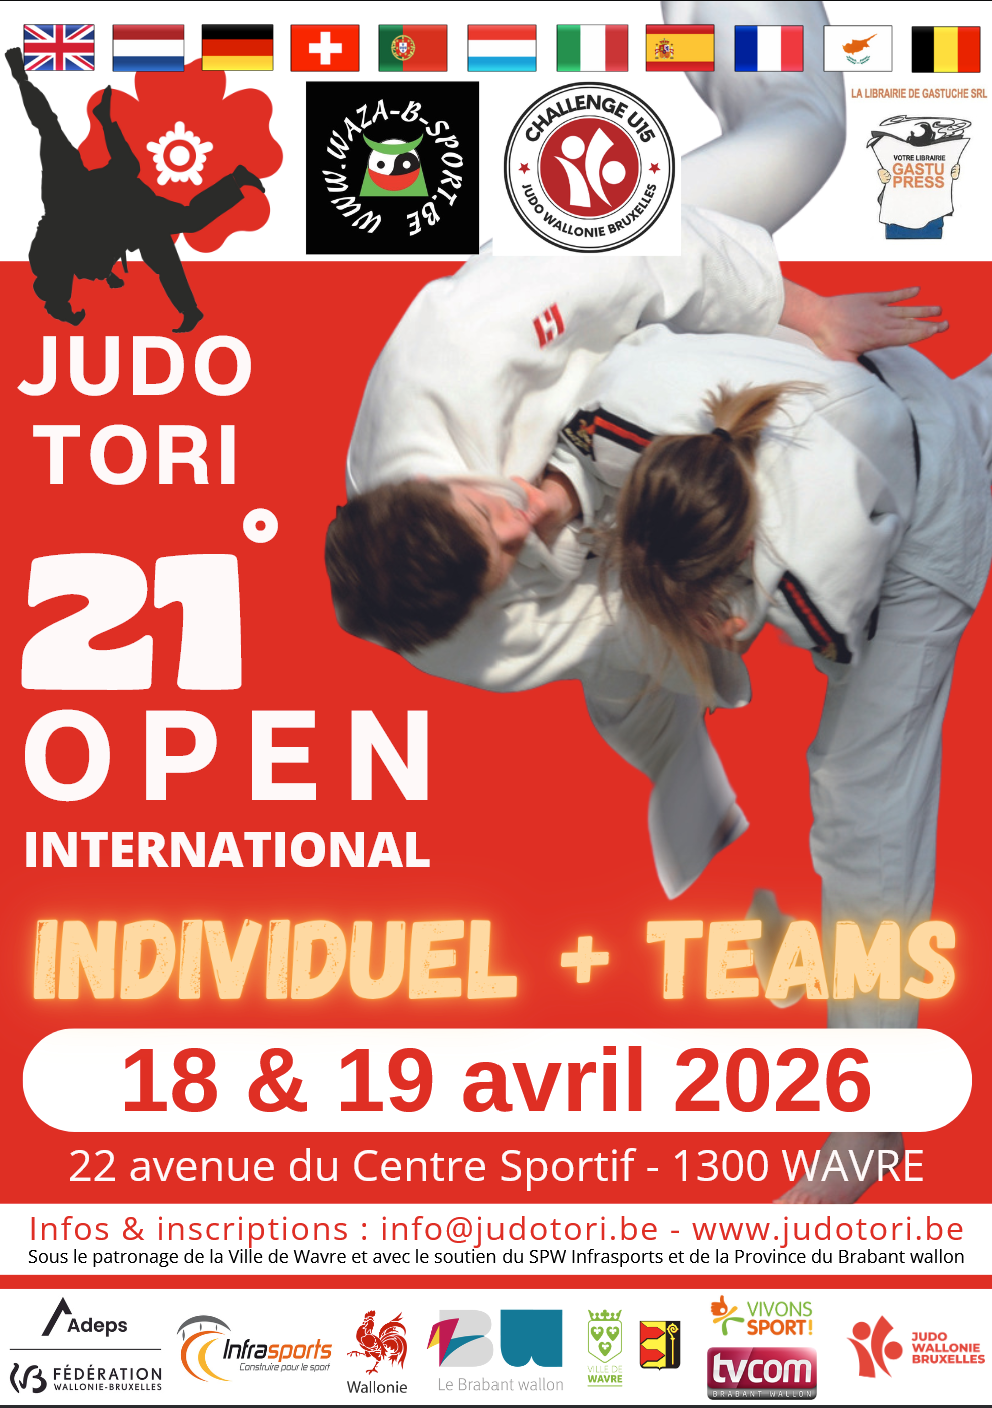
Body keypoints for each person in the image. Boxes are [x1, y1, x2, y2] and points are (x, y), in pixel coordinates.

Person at [331, 214, 948, 897]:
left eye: (485, 514)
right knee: (632, 663)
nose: (515, 524)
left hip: (656, 305)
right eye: (502, 556)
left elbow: (627, 250)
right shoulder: (461, 638)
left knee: (799, 152)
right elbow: (614, 650)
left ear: (425, 481)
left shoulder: (461, 347)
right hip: (706, 421)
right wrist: (696, 617)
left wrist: (813, 313)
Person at [546, 323, 992, 1200]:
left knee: (863, 802)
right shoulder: (618, 410)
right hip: (887, 392)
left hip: (925, 522)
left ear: (744, 567)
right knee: (965, 414)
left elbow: (833, 646)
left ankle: (873, 1119)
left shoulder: (811, 576)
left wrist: (728, 630)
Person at [7, 46, 265, 330]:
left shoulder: (54, 245)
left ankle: (234, 182)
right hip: (126, 215)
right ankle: (190, 309)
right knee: (173, 231)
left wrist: (21, 79)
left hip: (107, 200)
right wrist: (105, 276)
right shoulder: (69, 262)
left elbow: (45, 122)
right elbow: (90, 255)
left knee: (144, 185)